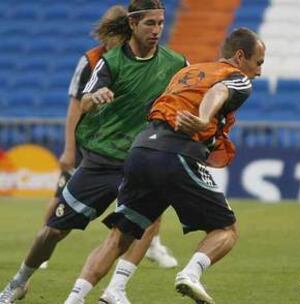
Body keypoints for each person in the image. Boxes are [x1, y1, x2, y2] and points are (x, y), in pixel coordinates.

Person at [0, 1, 186, 304]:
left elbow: (191, 92)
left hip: (141, 159)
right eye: (150, 24)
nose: (157, 30)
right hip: (102, 160)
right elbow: (83, 102)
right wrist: (95, 98)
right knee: (53, 232)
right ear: (133, 24)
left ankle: (116, 289)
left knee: (148, 224)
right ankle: (19, 281)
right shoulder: (110, 61)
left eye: (161, 23)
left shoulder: (176, 62)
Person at [64, 27, 266, 304]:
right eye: (258, 63)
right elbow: (218, 91)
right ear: (240, 57)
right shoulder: (237, 78)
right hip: (175, 152)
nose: (259, 71)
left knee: (120, 236)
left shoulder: (186, 72)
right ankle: (190, 274)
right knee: (226, 230)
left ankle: (77, 299)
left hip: (141, 149)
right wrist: (205, 119)